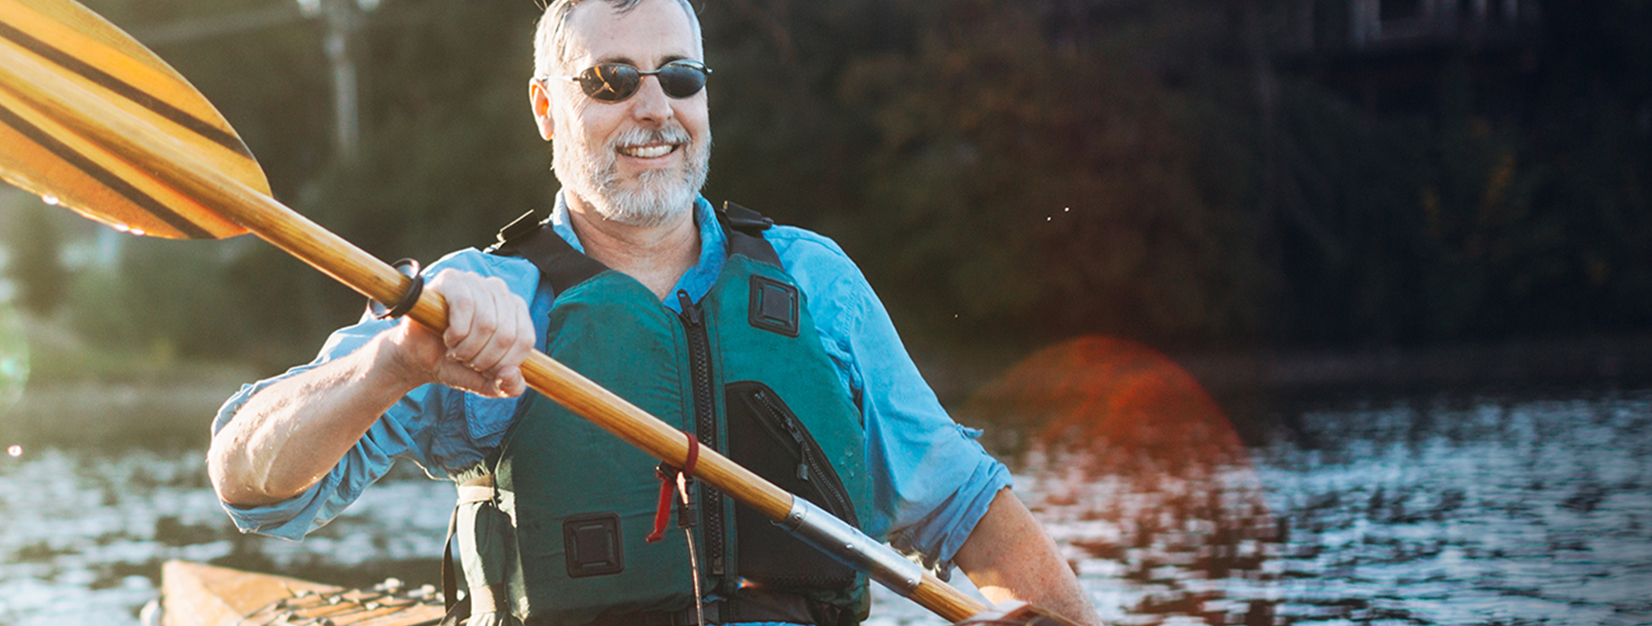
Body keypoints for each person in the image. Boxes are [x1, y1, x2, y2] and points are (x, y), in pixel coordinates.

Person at [205, 0, 1100, 624]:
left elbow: (965, 508)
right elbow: (248, 481)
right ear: (547, 108)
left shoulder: (814, 281)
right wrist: (395, 360)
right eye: (610, 79)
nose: (654, 107)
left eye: (680, 76)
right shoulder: (477, 302)